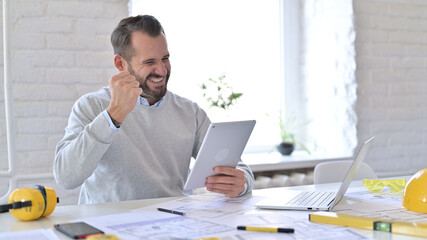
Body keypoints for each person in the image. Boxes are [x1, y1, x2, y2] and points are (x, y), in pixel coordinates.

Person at [53, 15, 254, 204]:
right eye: (149, 62)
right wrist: (112, 116)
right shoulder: (91, 106)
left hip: (174, 223)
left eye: (165, 58)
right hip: (110, 228)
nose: (162, 70)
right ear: (120, 63)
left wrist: (241, 182)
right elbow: (66, 177)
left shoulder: (189, 112)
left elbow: (240, 168)